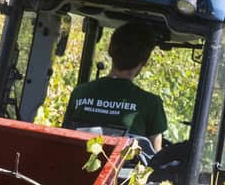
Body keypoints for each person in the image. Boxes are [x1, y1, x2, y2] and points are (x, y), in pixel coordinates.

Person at [62, 21, 167, 151]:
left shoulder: (79, 93)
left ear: (110, 51)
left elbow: (63, 139)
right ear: (145, 61)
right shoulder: (151, 104)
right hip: (122, 171)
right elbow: (154, 159)